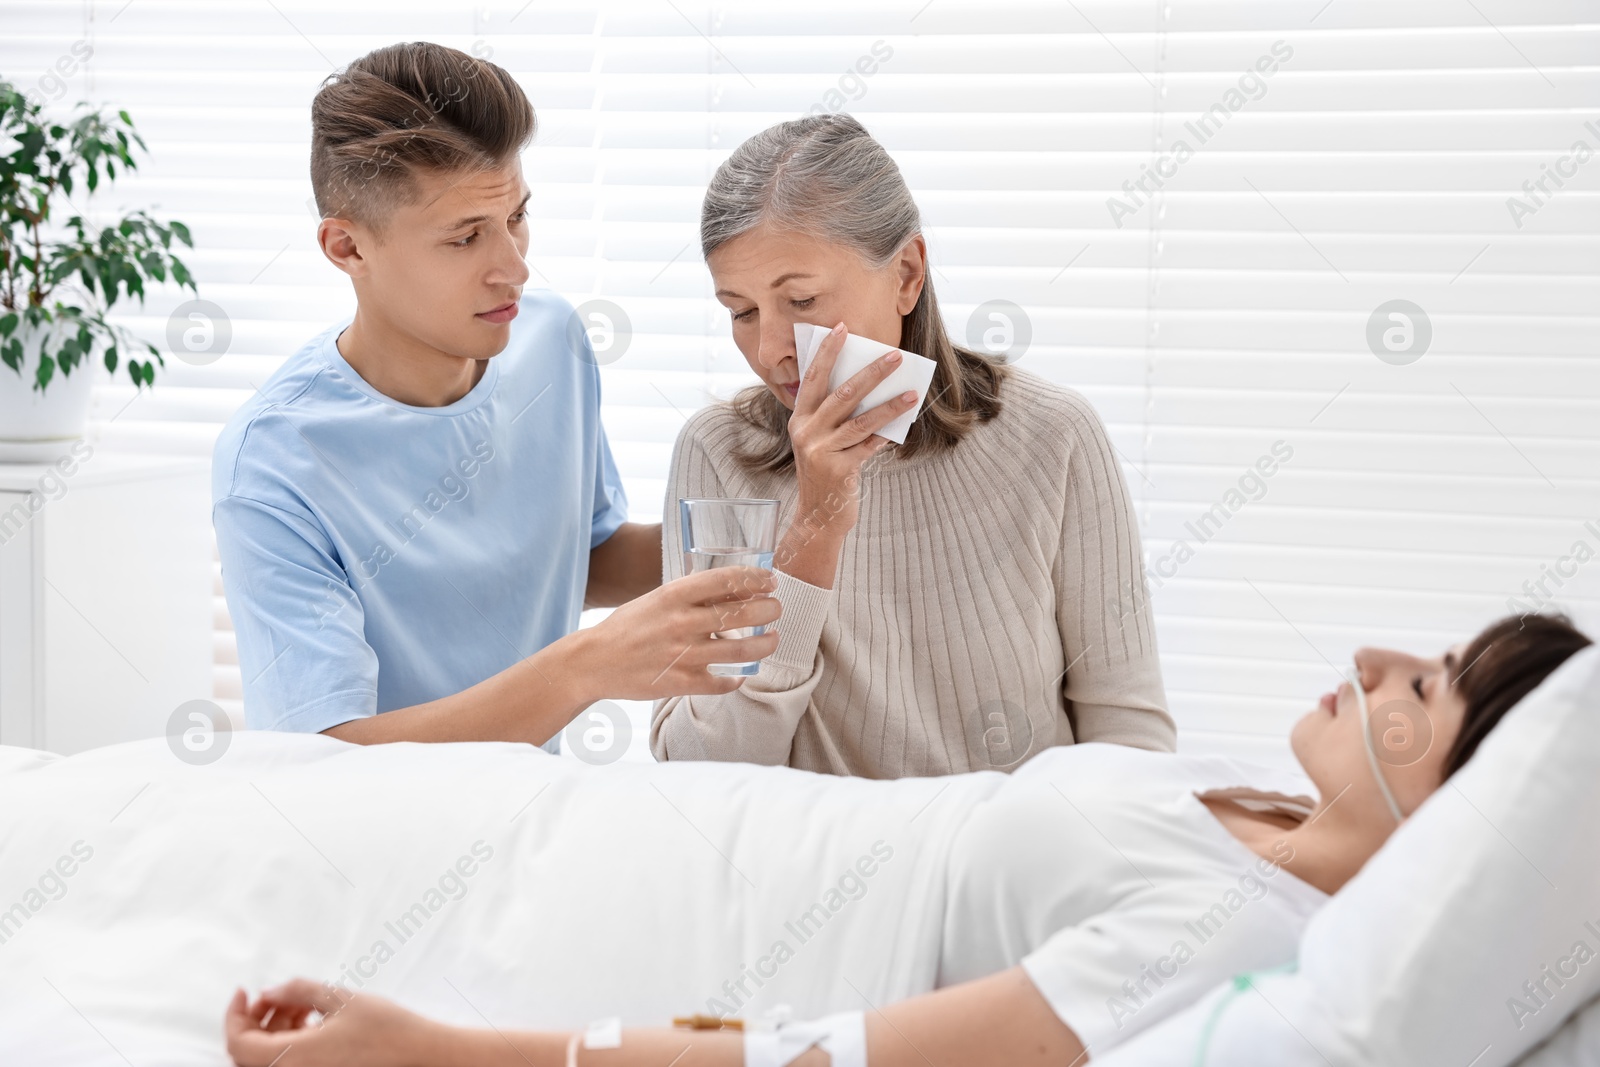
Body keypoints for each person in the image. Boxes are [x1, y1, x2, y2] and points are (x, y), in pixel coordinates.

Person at [223, 612, 1593, 1066]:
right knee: (275, 795)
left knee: (243, 865)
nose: (1376, 655)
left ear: (1459, 808)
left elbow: (814, 1052)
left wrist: (435, 1048)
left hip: (705, 919)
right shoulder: (1263, 796)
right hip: (710, 821)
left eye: (1427, 685)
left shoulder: (1237, 936)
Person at [212, 42, 778, 747]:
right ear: (348, 248)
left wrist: (796, 517)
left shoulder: (552, 345)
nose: (514, 266)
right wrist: (585, 667)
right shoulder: (274, 463)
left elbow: (582, 558)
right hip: (382, 843)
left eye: (516, 217)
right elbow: (330, 753)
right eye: (465, 237)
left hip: (539, 816)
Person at [650, 114, 1174, 777]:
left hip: (1014, 874)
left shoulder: (1054, 436)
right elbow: (695, 771)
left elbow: (1130, 745)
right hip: (803, 876)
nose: (769, 349)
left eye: (801, 300)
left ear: (905, 274)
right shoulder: (715, 453)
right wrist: (813, 531)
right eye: (741, 311)